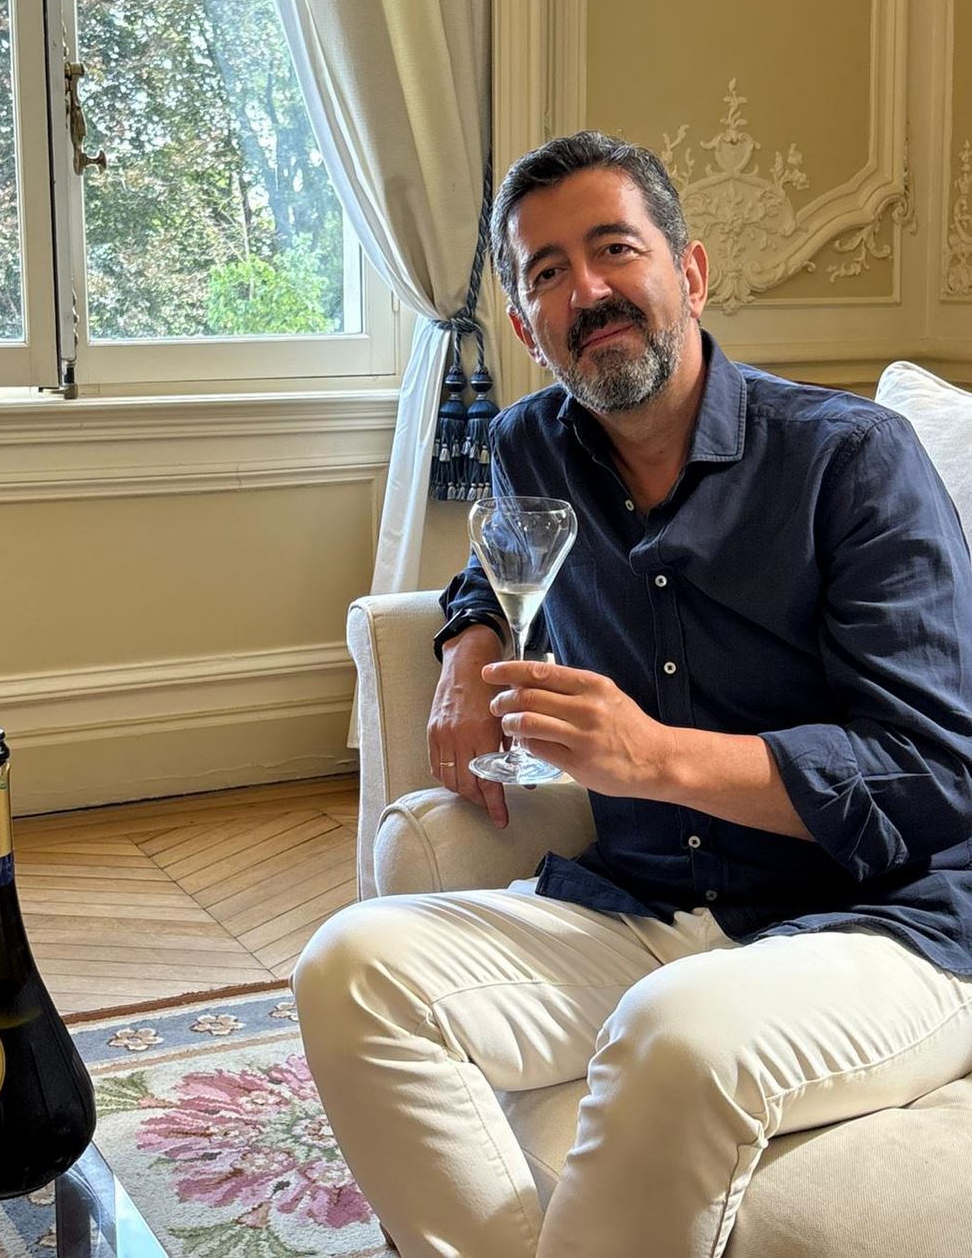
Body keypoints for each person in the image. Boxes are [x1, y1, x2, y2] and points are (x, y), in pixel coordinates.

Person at [294, 132, 972, 1258]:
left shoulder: (852, 460)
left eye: (615, 249)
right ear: (525, 327)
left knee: (674, 1034)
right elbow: (498, 569)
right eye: (547, 272)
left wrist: (652, 758)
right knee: (348, 966)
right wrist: (466, 647)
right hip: (646, 903)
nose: (588, 291)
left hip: (884, 920)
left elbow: (933, 776)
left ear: (689, 273)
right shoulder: (531, 446)